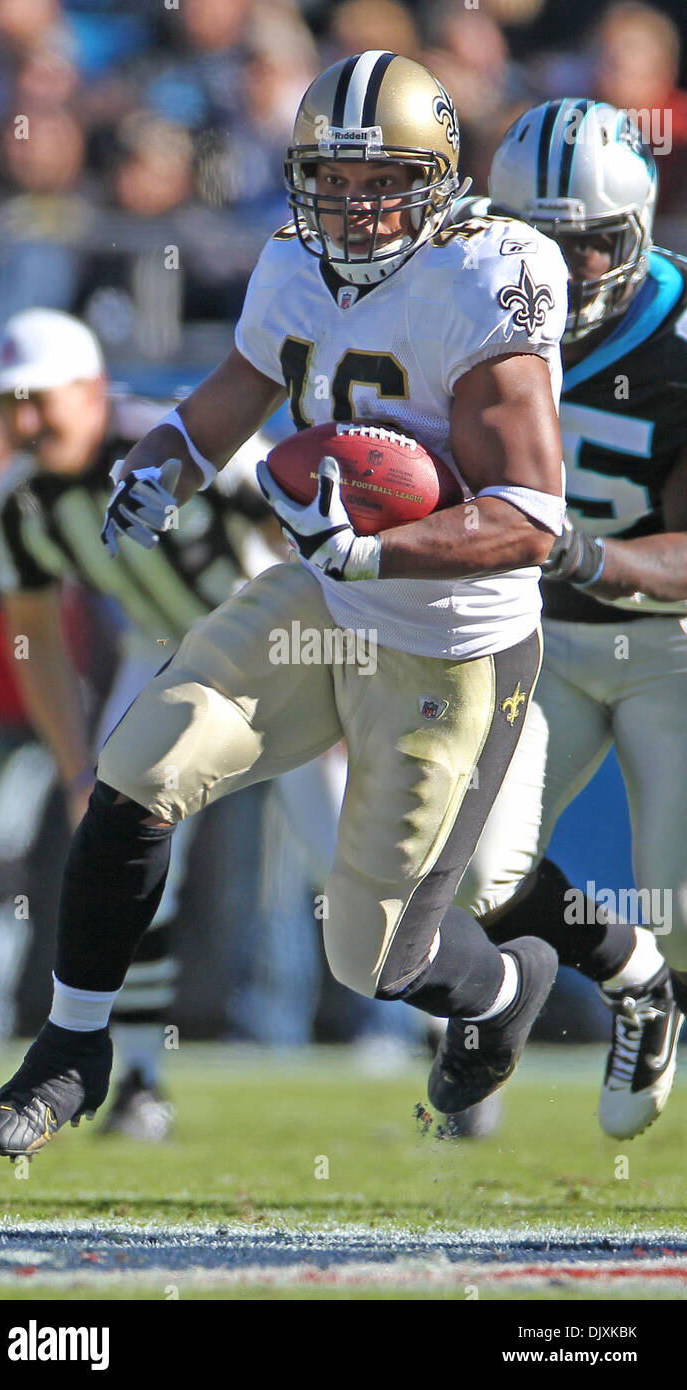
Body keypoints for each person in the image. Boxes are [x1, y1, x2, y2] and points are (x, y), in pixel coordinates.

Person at [0, 50, 570, 1160]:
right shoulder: (291, 264)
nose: (349, 205)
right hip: (320, 598)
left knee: (376, 956)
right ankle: (73, 1047)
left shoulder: (489, 273)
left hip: (456, 643)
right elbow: (220, 410)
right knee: (137, 766)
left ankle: (503, 990)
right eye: (328, 180)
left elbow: (533, 516)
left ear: (436, 178)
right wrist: (161, 465)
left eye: (377, 178)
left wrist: (374, 550)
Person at [0, 306, 274, 1138]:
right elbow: (34, 636)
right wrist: (75, 763)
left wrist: (342, 661)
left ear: (92, 388)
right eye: (11, 405)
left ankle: (454, 1033)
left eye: (42, 399)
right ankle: (138, 1076)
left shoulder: (174, 440)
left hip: (280, 645)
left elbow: (292, 523)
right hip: (166, 659)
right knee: (124, 854)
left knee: (345, 854)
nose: (28, 422)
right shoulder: (26, 497)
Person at [454, 98, 687, 1140]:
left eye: (592, 245)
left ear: (635, 234)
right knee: (468, 868)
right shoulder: (462, 306)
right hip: (537, 634)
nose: (568, 267)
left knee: (677, 899)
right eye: (543, 241)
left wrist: (591, 552)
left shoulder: (677, 339)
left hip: (668, 644)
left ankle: (662, 977)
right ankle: (631, 986)